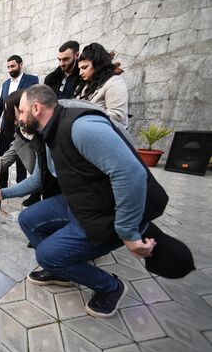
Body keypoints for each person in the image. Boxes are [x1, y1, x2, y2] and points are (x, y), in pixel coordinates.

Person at [14, 85, 168, 318]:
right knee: (28, 219)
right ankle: (63, 270)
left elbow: (131, 174)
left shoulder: (80, 127)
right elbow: (39, 177)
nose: (20, 119)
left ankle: (110, 288)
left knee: (45, 255)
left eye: (22, 112)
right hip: (83, 204)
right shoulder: (50, 132)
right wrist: (3, 193)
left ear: (36, 108)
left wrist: (129, 232)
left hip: (109, 214)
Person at [0, 55, 39, 198]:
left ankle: (21, 184)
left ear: (20, 65)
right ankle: (1, 183)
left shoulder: (32, 80)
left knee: (22, 155)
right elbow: (1, 104)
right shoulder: (5, 84)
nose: (10, 69)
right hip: (7, 126)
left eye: (13, 66)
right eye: (8, 67)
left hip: (24, 125)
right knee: (4, 154)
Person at [75, 42, 129, 129]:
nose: (80, 73)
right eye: (79, 69)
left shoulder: (114, 82)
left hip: (108, 137)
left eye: (84, 67)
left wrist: (83, 117)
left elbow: (118, 116)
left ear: (97, 65)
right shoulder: (82, 86)